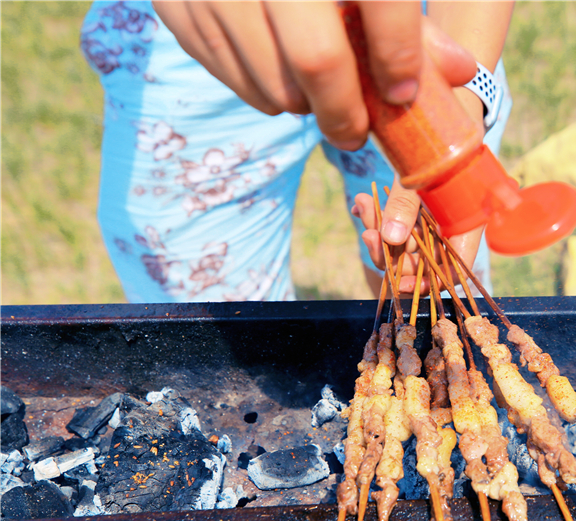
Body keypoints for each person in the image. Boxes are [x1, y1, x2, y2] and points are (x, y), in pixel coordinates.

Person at [80, 1, 514, 302]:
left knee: (419, 272)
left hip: (409, 30)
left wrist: (466, 93)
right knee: (212, 321)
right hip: (200, 44)